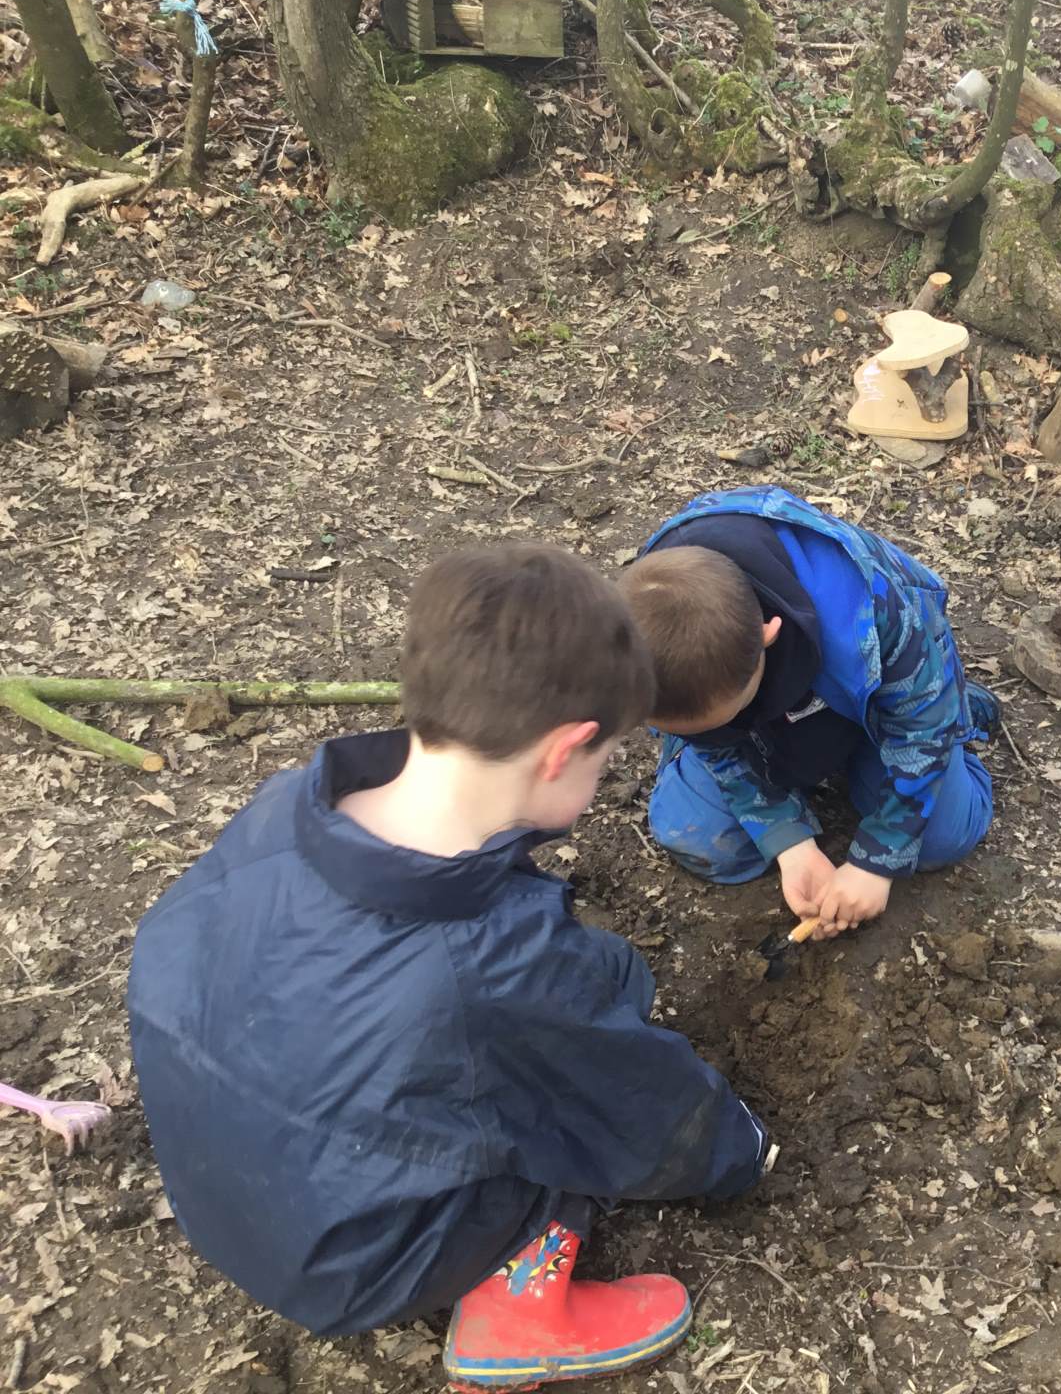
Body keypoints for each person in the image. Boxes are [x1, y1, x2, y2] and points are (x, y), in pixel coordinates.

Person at [128, 545, 770, 1393]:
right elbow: (634, 1103)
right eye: (606, 758)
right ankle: (516, 1315)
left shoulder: (291, 803)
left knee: (575, 998)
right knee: (562, 1120)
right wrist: (741, 1152)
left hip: (214, 1177)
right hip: (347, 1261)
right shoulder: (492, 963)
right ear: (564, 751)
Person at [622, 486, 996, 937]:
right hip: (770, 728)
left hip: (877, 706)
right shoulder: (633, 634)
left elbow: (921, 726)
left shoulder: (865, 608)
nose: (713, 733)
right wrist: (790, 843)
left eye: (722, 720)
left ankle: (962, 714)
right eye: (700, 730)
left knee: (939, 840)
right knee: (700, 839)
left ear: (767, 635)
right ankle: (794, 766)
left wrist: (877, 860)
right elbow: (715, 747)